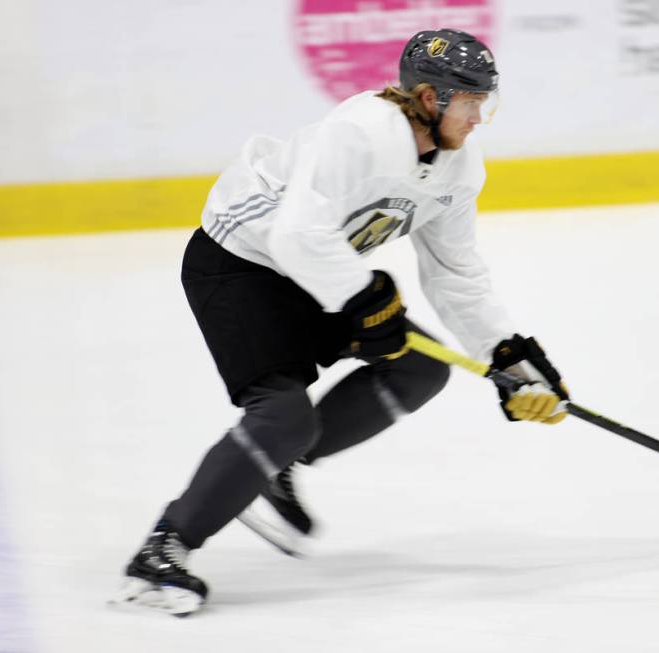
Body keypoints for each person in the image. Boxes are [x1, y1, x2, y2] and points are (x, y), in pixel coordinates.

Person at [112, 28, 570, 617]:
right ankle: (161, 552)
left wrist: (512, 358)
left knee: (420, 369)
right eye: (471, 101)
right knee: (281, 414)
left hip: (313, 271)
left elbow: (456, 274)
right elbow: (295, 233)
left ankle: (270, 469)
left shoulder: (458, 168)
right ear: (431, 99)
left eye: (487, 101)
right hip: (239, 263)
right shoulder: (362, 132)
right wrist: (363, 300)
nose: (480, 116)